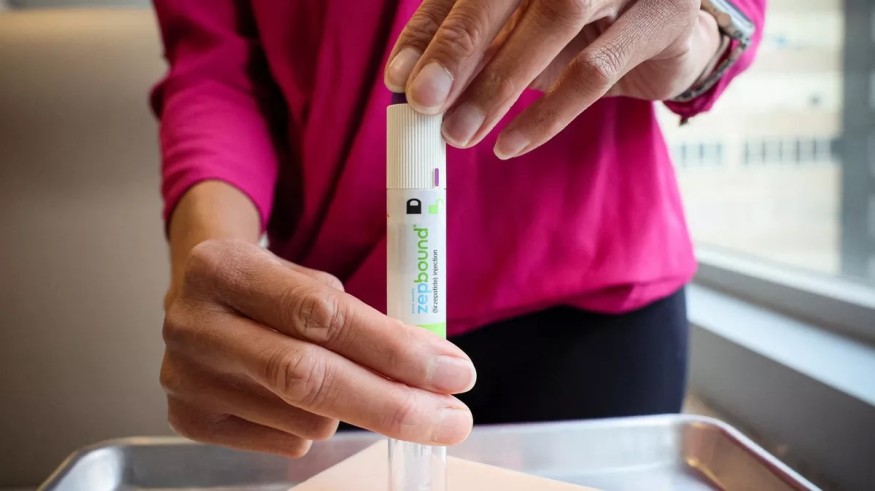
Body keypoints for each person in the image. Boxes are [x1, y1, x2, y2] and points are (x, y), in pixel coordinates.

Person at [152, 0, 764, 457]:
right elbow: (218, 66)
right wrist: (217, 260)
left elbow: (725, 15)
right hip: (342, 331)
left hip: (596, 297)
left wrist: (700, 31)